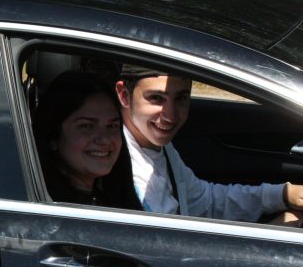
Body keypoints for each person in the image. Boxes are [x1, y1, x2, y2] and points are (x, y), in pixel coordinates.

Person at [115, 64, 303, 221]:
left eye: (181, 98)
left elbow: (203, 202)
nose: (170, 116)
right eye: (156, 98)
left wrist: (283, 194)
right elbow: (170, 248)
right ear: (124, 95)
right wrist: (271, 237)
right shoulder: (125, 167)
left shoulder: (153, 143)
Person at [33, 72, 141, 210]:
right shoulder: (45, 209)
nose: (104, 139)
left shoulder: (114, 203)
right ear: (53, 136)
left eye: (112, 126)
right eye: (86, 126)